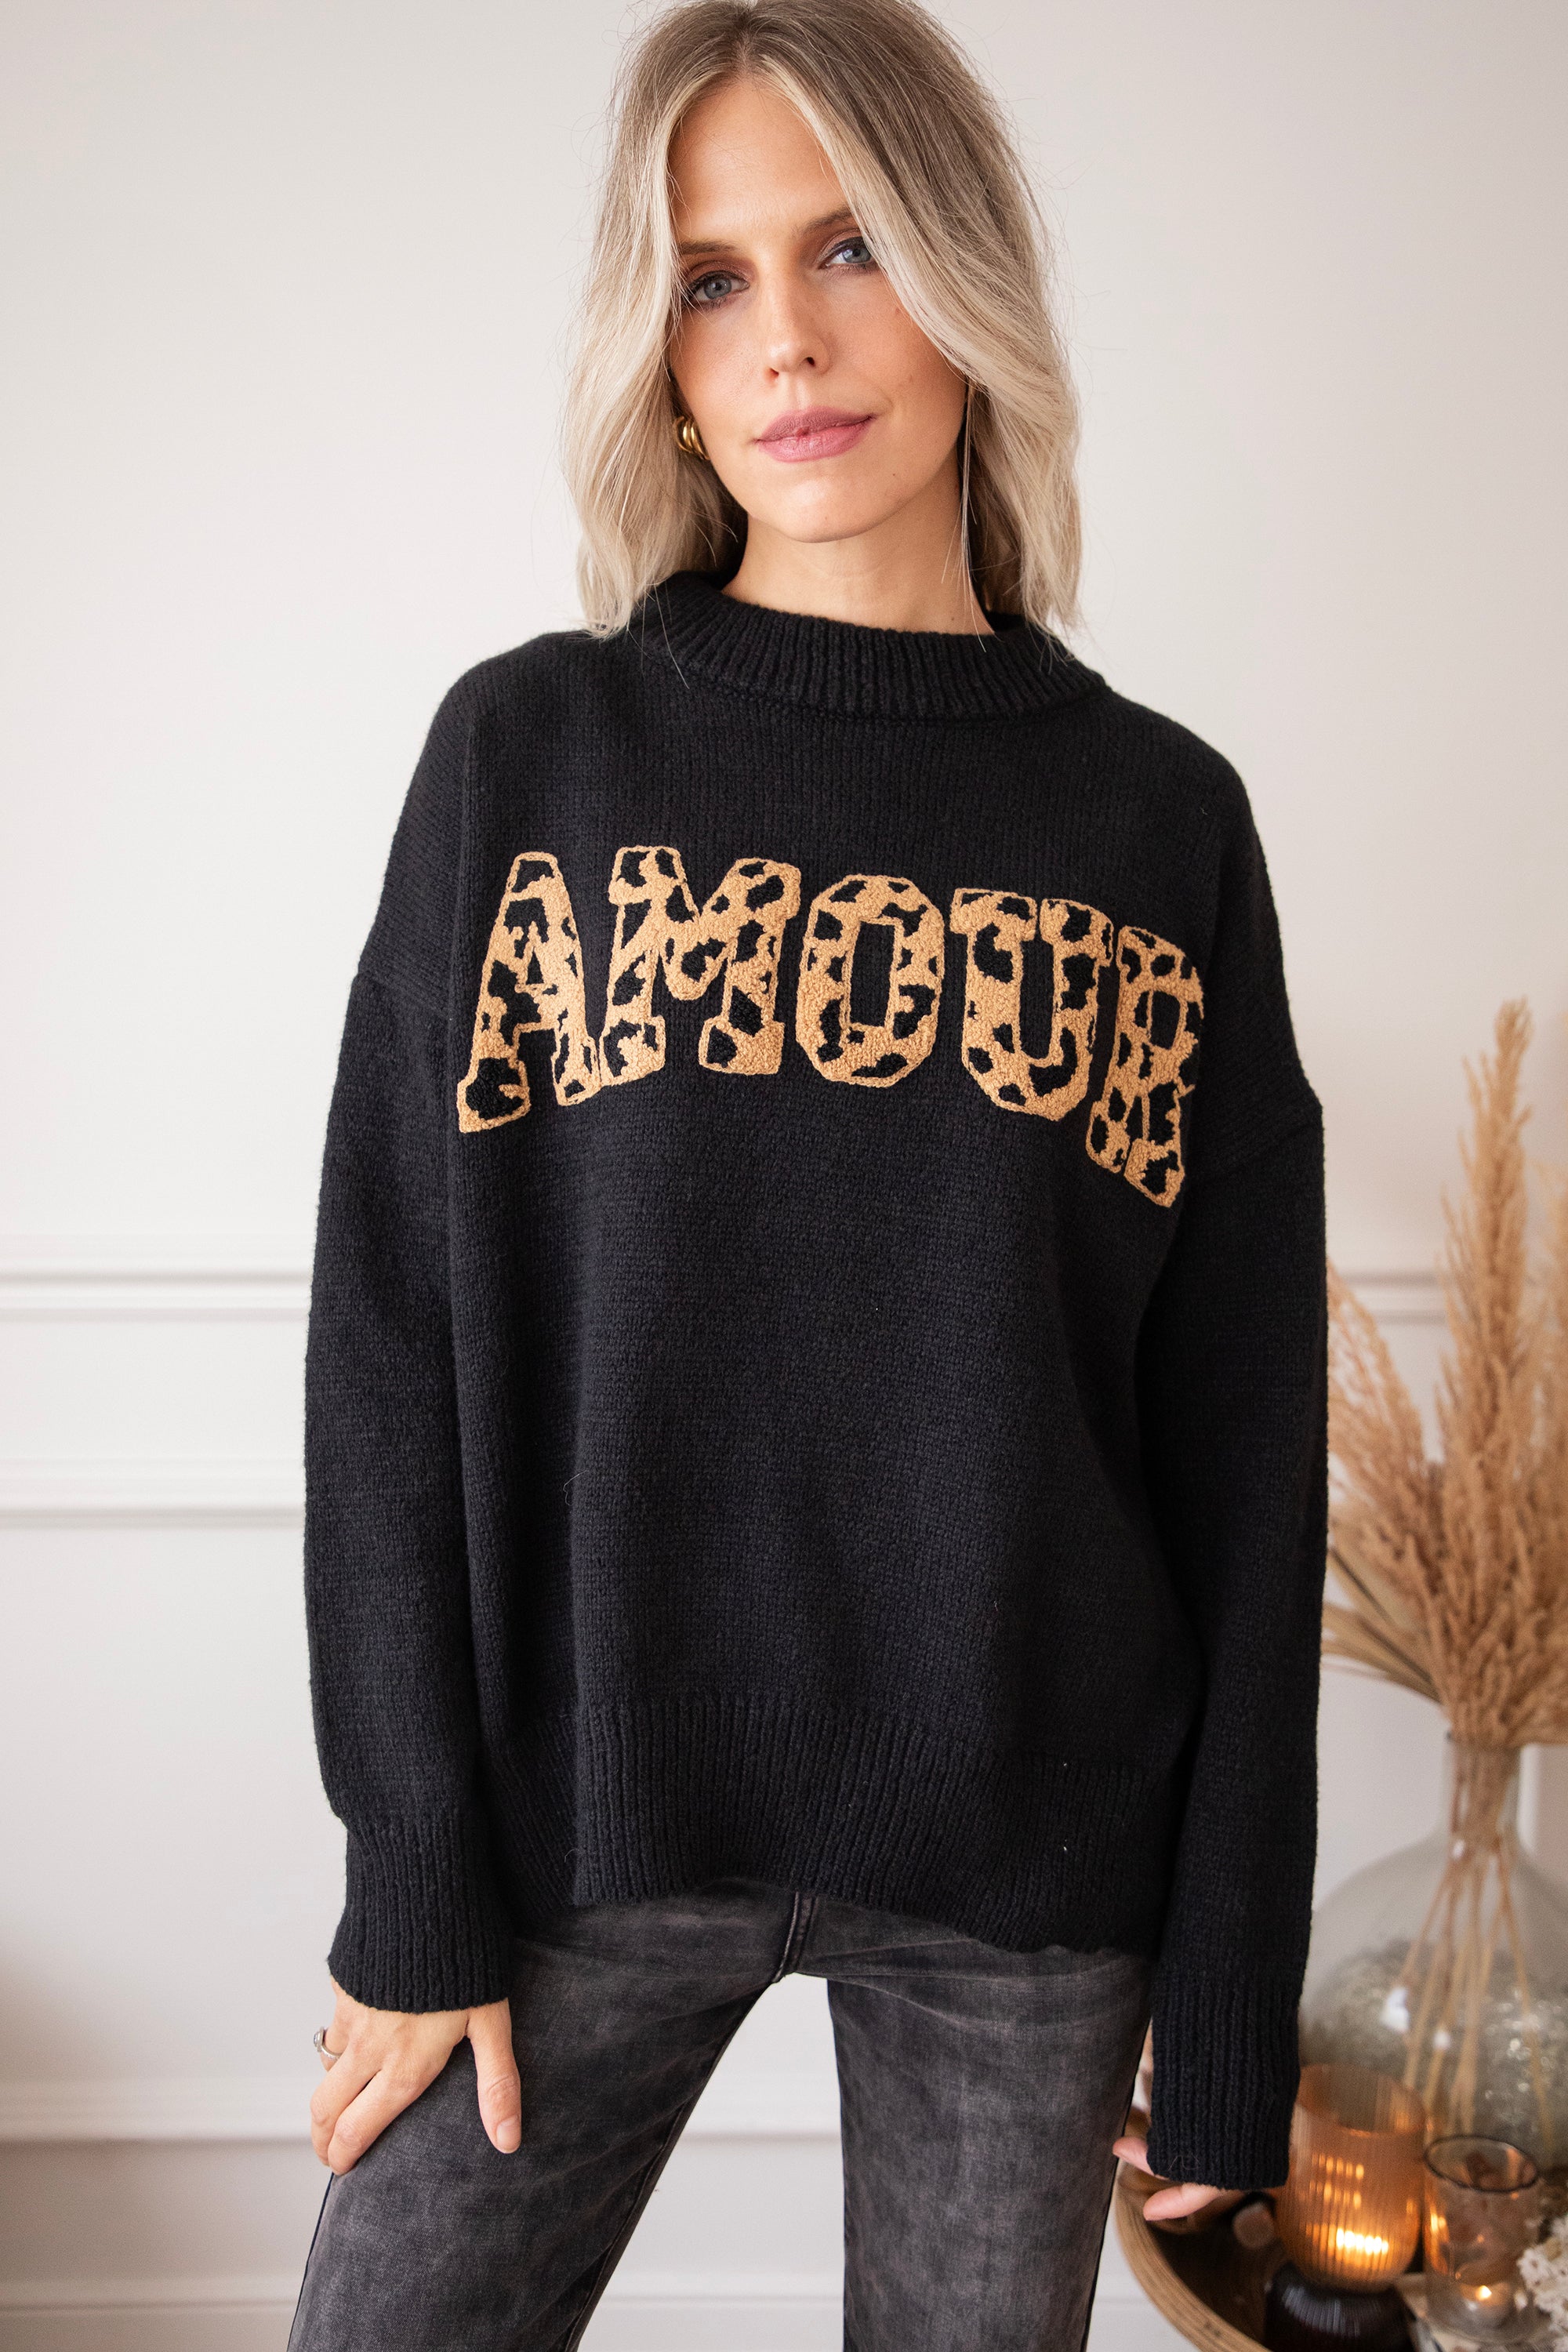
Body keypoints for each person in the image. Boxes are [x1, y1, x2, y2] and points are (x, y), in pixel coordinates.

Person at [288, 0, 1328, 2344]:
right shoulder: (530, 757)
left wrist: (1231, 1981)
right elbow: (388, 1345)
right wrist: (412, 1875)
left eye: (850, 245)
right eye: (712, 276)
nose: (786, 335)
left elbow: (1248, 1452)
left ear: (967, 273)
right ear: (659, 362)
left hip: (1033, 1866)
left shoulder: (1164, 825)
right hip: (574, 1820)